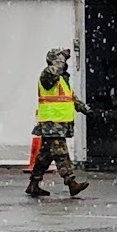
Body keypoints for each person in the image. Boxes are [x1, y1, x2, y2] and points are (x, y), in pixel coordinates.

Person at [28, 47, 90, 198]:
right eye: (60, 59)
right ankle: (71, 183)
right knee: (61, 153)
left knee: (45, 156)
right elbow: (52, 72)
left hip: (58, 123)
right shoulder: (47, 75)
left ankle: (33, 184)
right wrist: (60, 60)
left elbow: (70, 97)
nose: (63, 62)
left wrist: (82, 107)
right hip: (51, 123)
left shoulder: (62, 78)